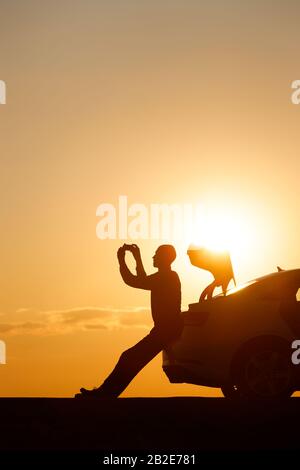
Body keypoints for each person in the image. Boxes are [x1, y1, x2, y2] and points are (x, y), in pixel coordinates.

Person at [75, 243, 183, 398]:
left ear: (164, 258)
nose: (153, 256)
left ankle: (104, 395)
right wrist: (136, 257)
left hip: (167, 330)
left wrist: (122, 260)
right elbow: (143, 279)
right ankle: (105, 394)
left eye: (156, 254)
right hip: (165, 330)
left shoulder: (167, 277)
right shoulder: (165, 276)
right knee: (131, 359)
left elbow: (135, 281)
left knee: (129, 358)